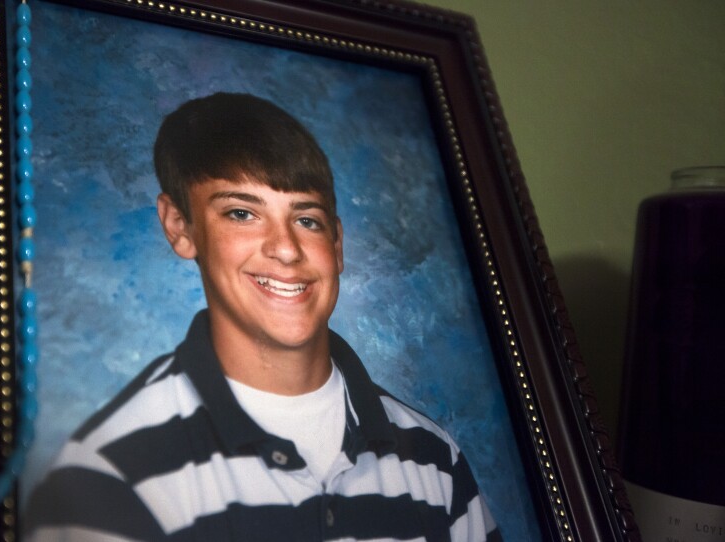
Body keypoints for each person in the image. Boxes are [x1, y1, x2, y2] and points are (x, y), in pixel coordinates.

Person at [24, 92, 501, 541]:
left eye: (306, 219)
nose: (287, 249)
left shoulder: (434, 459)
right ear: (179, 226)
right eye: (240, 213)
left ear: (337, 244)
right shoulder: (111, 475)